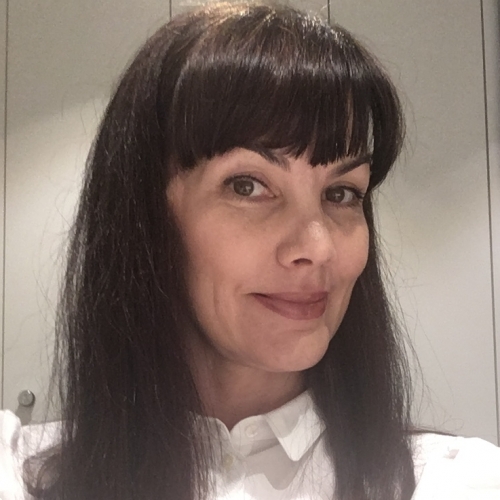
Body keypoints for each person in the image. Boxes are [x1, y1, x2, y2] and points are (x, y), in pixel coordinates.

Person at [1, 2, 499, 500]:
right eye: (247, 186)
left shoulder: (455, 483)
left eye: (341, 192)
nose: (319, 247)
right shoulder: (18, 475)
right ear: (145, 215)